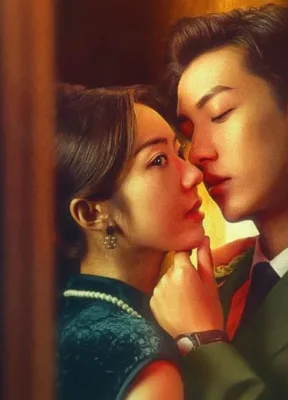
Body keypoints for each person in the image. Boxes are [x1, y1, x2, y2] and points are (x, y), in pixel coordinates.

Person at [150, 4, 288, 400]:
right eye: (189, 132)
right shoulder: (209, 280)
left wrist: (203, 343)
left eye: (220, 114)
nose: (198, 153)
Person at [54, 83, 242, 399]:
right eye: (158, 161)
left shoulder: (61, 317)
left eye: (178, 153)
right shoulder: (140, 357)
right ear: (91, 213)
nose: (193, 175)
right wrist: (203, 340)